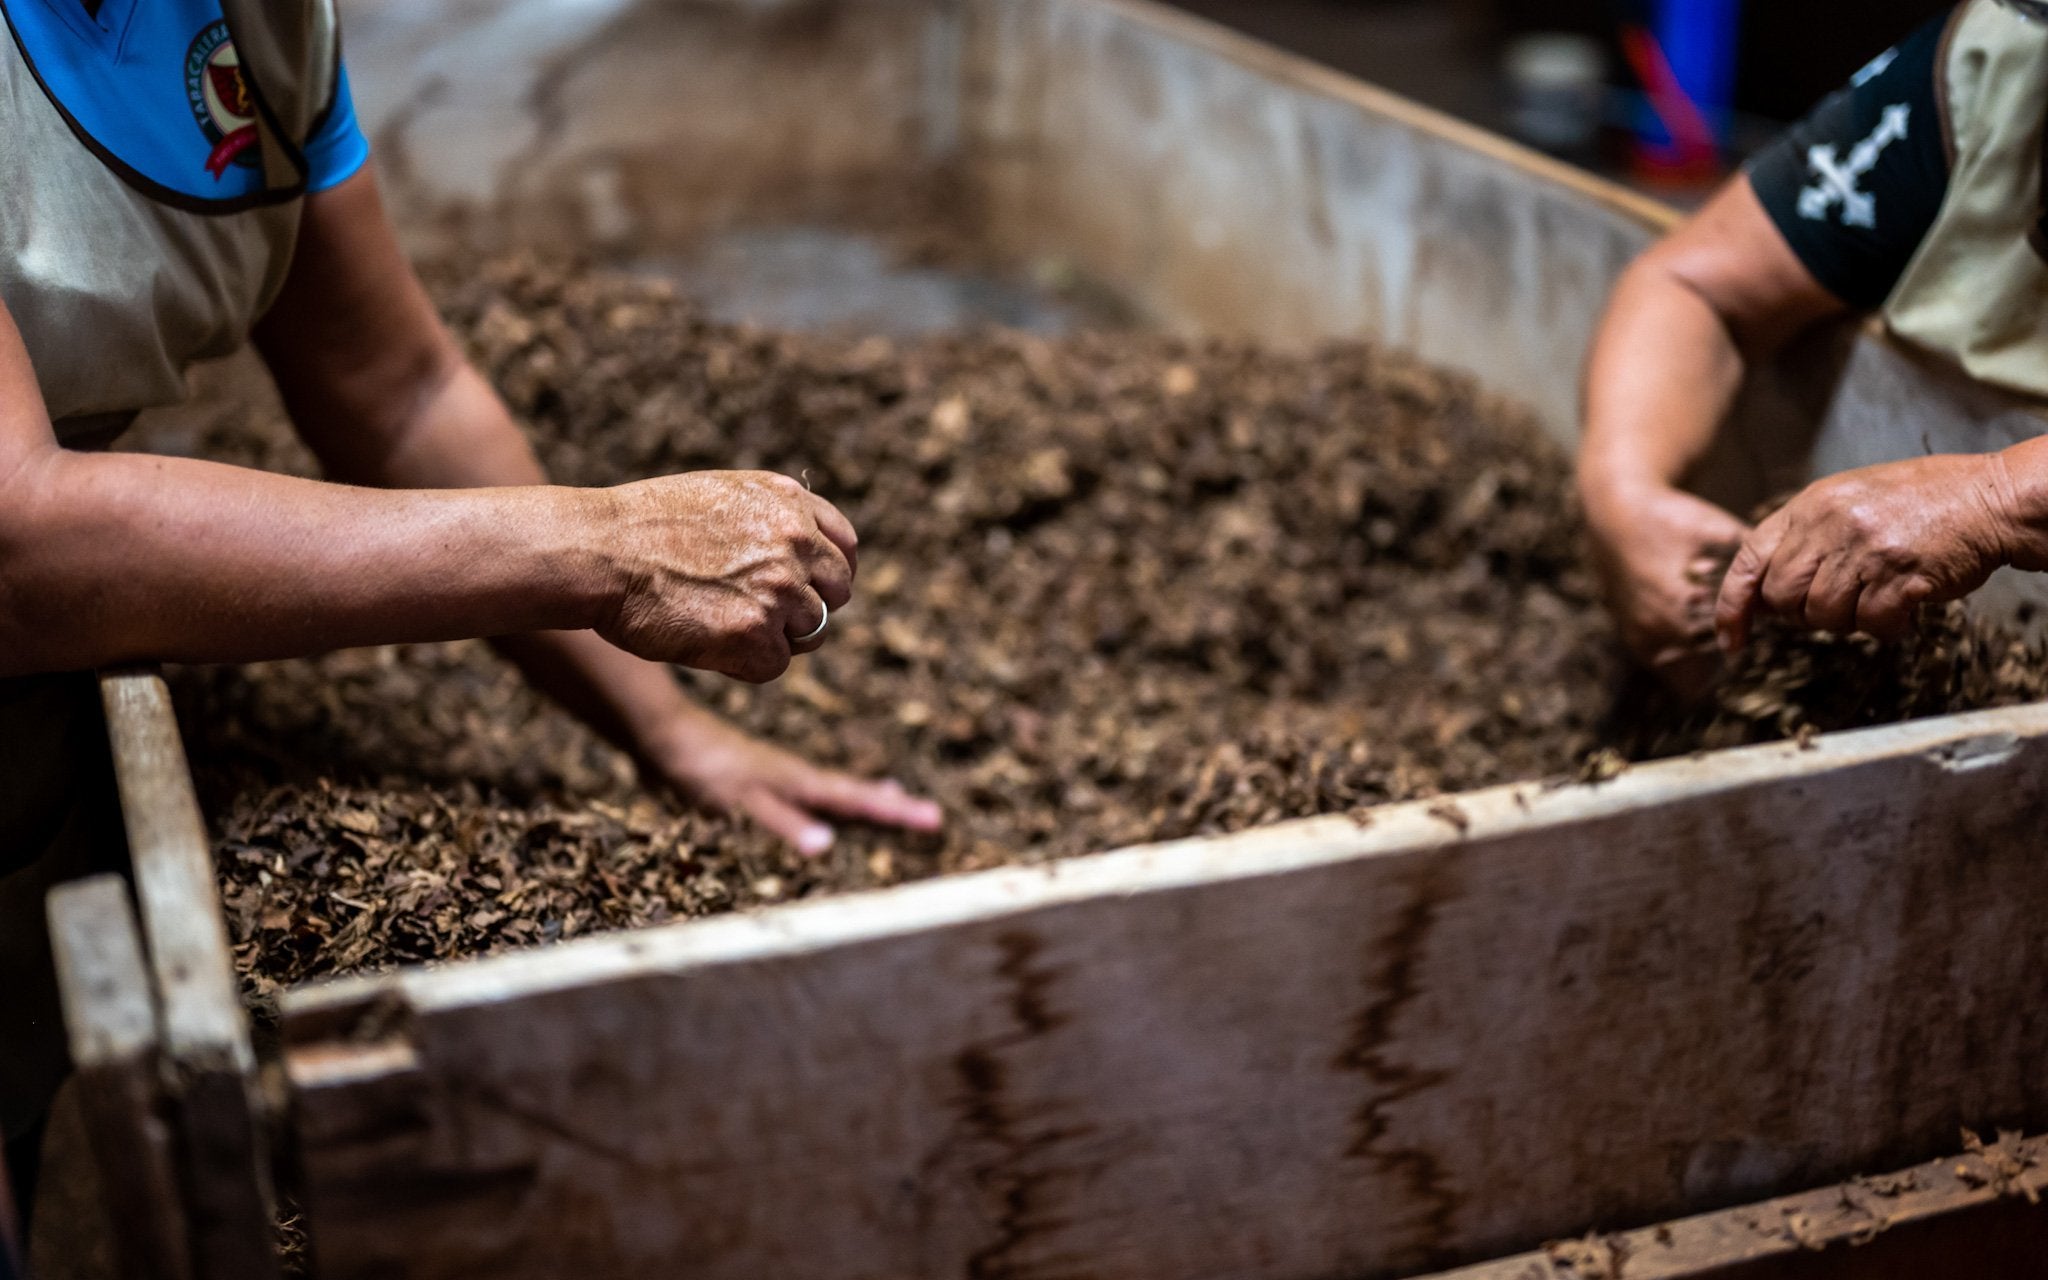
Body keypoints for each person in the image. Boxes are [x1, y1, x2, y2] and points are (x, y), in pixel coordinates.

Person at [0, 0, 941, 1209]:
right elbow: (20, 544)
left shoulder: (268, 23)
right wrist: (607, 543)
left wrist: (666, 727)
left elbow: (396, 388)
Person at [1579, 0, 2048, 693]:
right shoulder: (1998, 62)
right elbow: (1691, 287)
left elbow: (1995, 502)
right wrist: (1621, 491)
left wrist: (1994, 499)